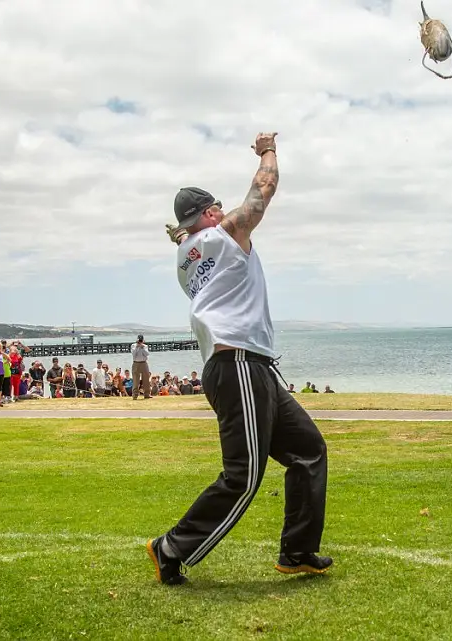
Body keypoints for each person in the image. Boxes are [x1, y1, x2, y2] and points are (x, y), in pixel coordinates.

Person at [147, 132, 331, 586]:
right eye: (217, 209)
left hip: (250, 366)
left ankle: (298, 551)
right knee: (244, 477)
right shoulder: (225, 235)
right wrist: (268, 149)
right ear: (211, 214)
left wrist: (184, 230)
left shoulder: (185, 257)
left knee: (308, 451)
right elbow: (262, 191)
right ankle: (170, 547)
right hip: (238, 365)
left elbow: (192, 237)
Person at [131, 334, 151, 400]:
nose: (140, 342)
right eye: (139, 340)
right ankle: (135, 395)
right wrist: (137, 347)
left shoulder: (145, 346)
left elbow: (147, 354)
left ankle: (147, 394)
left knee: (146, 379)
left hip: (144, 363)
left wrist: (142, 348)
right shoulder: (133, 345)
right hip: (136, 363)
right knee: (135, 380)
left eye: (141, 340)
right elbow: (133, 354)